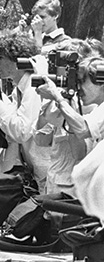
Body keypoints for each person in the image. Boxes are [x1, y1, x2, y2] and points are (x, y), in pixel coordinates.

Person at [0, 31, 50, 192]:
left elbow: (21, 131)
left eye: (0, 58)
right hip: (32, 169)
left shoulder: (33, 87)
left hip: (47, 175)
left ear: (16, 59)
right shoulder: (19, 88)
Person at [35, 40, 104, 195]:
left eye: (81, 81)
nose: (78, 87)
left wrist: (58, 97)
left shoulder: (92, 107)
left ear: (100, 83)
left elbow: (82, 129)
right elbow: (40, 139)